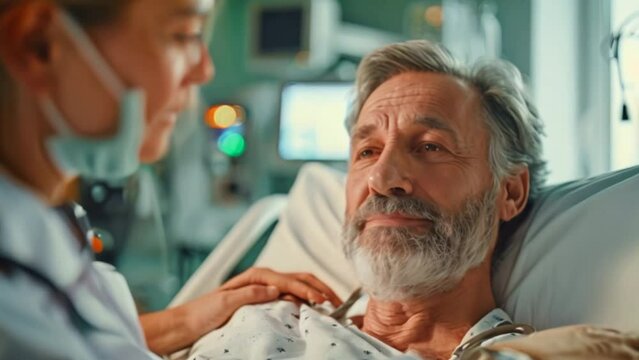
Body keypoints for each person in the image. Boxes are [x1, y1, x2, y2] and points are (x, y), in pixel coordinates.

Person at [0, 0, 341, 358]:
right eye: (184, 35)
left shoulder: (43, 228)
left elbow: (81, 334)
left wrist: (188, 318)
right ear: (39, 46)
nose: (204, 70)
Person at [186, 39, 546, 359]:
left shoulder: (525, 355)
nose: (381, 178)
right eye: (368, 151)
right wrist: (177, 323)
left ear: (510, 191)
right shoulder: (268, 319)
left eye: (430, 146)